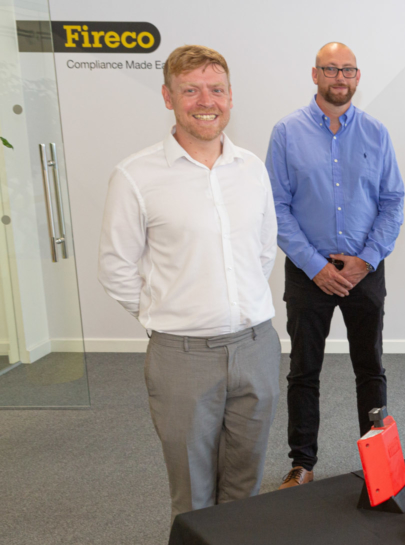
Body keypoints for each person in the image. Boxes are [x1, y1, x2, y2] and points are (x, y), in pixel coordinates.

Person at [98, 45, 280, 517]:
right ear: (168, 96)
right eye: (191, 90)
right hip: (181, 356)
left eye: (216, 89)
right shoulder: (136, 175)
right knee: (193, 494)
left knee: (245, 486)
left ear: (230, 96)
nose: (206, 101)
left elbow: (262, 251)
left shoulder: (252, 169)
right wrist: (166, 311)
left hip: (255, 346)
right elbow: (116, 267)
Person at [267, 42, 404, 489]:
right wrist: (314, 265)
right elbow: (277, 208)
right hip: (310, 273)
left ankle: (378, 459)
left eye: (347, 70)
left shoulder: (376, 133)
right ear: (315, 74)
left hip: (365, 270)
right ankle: (302, 463)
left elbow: (392, 201)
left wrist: (365, 260)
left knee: (370, 368)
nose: (339, 78)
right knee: (304, 369)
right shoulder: (286, 133)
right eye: (331, 69)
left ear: (358, 76)